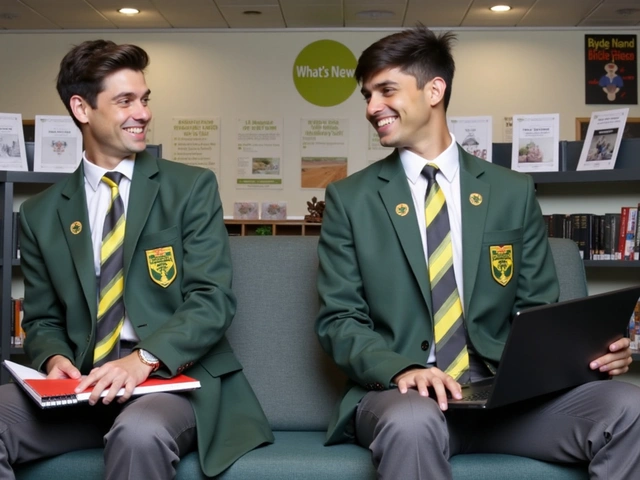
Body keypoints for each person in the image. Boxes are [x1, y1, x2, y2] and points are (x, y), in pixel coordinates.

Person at [315, 25, 640, 479]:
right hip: (407, 400)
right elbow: (339, 320)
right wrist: (404, 369)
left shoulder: (512, 190)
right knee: (411, 423)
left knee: (629, 406)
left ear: (434, 89)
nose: (372, 108)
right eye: (367, 96)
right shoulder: (351, 200)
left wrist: (593, 355)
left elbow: (537, 308)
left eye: (386, 90)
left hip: (506, 400)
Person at [0, 39, 273, 479]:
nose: (142, 113)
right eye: (125, 100)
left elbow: (211, 300)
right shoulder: (39, 213)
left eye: (144, 100)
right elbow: (42, 321)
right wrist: (53, 360)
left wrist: (141, 361)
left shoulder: (191, 188)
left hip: (170, 380)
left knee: (139, 434)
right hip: (84, 389)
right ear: (81, 108)